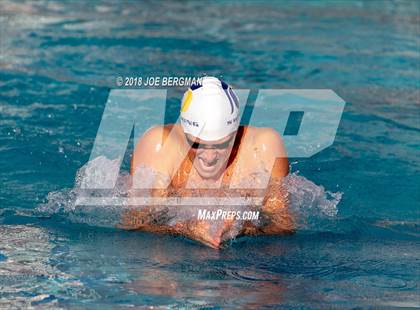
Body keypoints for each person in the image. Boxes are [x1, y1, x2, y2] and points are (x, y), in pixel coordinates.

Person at [119, 76, 294, 248]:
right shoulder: (159, 146)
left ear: (235, 134)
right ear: (184, 132)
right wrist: (187, 229)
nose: (209, 158)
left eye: (222, 144)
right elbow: (136, 226)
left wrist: (240, 227)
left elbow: (282, 228)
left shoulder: (262, 148)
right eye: (196, 144)